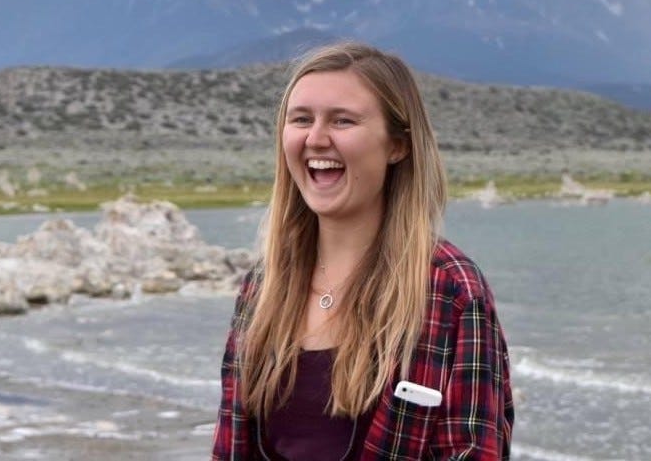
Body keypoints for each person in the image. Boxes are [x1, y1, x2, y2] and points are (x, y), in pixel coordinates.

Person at [212, 42, 513, 460]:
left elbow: (473, 453)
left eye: (343, 120)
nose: (316, 139)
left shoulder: (450, 290)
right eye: (301, 119)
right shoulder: (262, 289)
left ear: (398, 145)